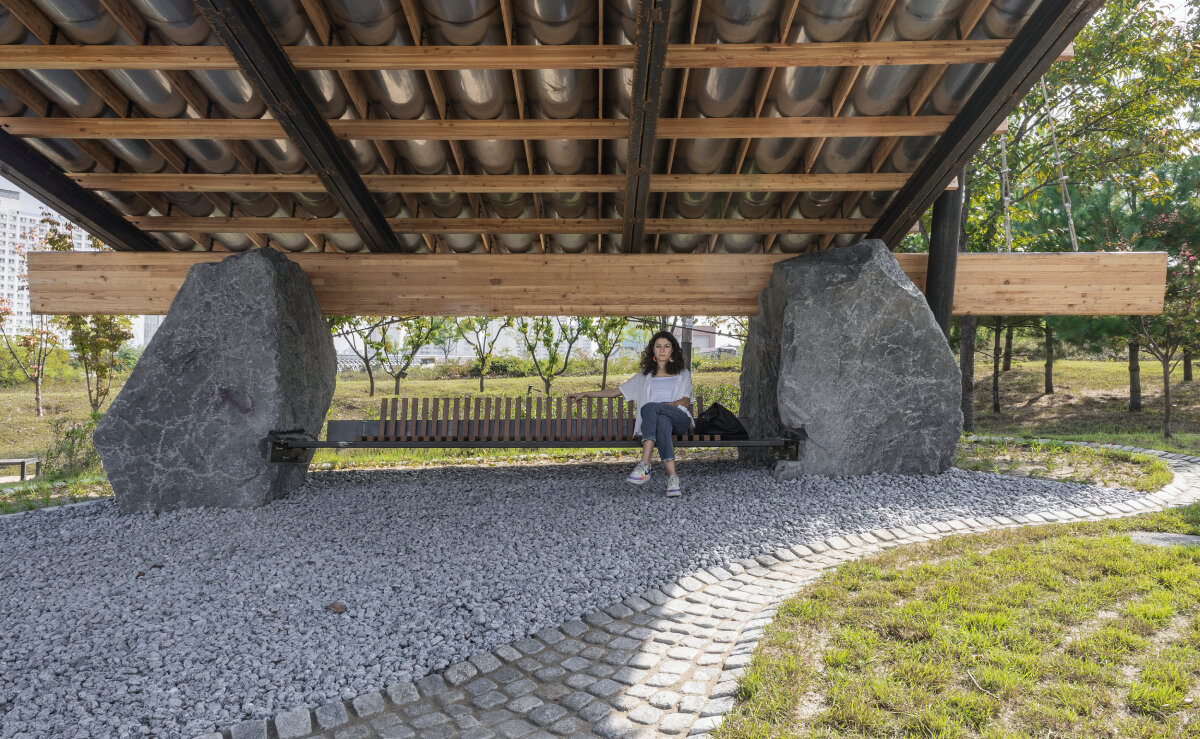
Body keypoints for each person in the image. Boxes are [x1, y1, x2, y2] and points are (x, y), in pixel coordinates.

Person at [566, 331, 695, 497]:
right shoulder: (643, 377)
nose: (662, 350)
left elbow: (685, 401)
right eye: (658, 346)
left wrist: (661, 406)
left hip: (679, 419)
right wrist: (585, 393)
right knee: (662, 421)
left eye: (666, 346)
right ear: (653, 351)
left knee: (651, 408)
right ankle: (673, 479)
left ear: (672, 351)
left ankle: (644, 464)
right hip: (660, 424)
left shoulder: (683, 374)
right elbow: (615, 392)